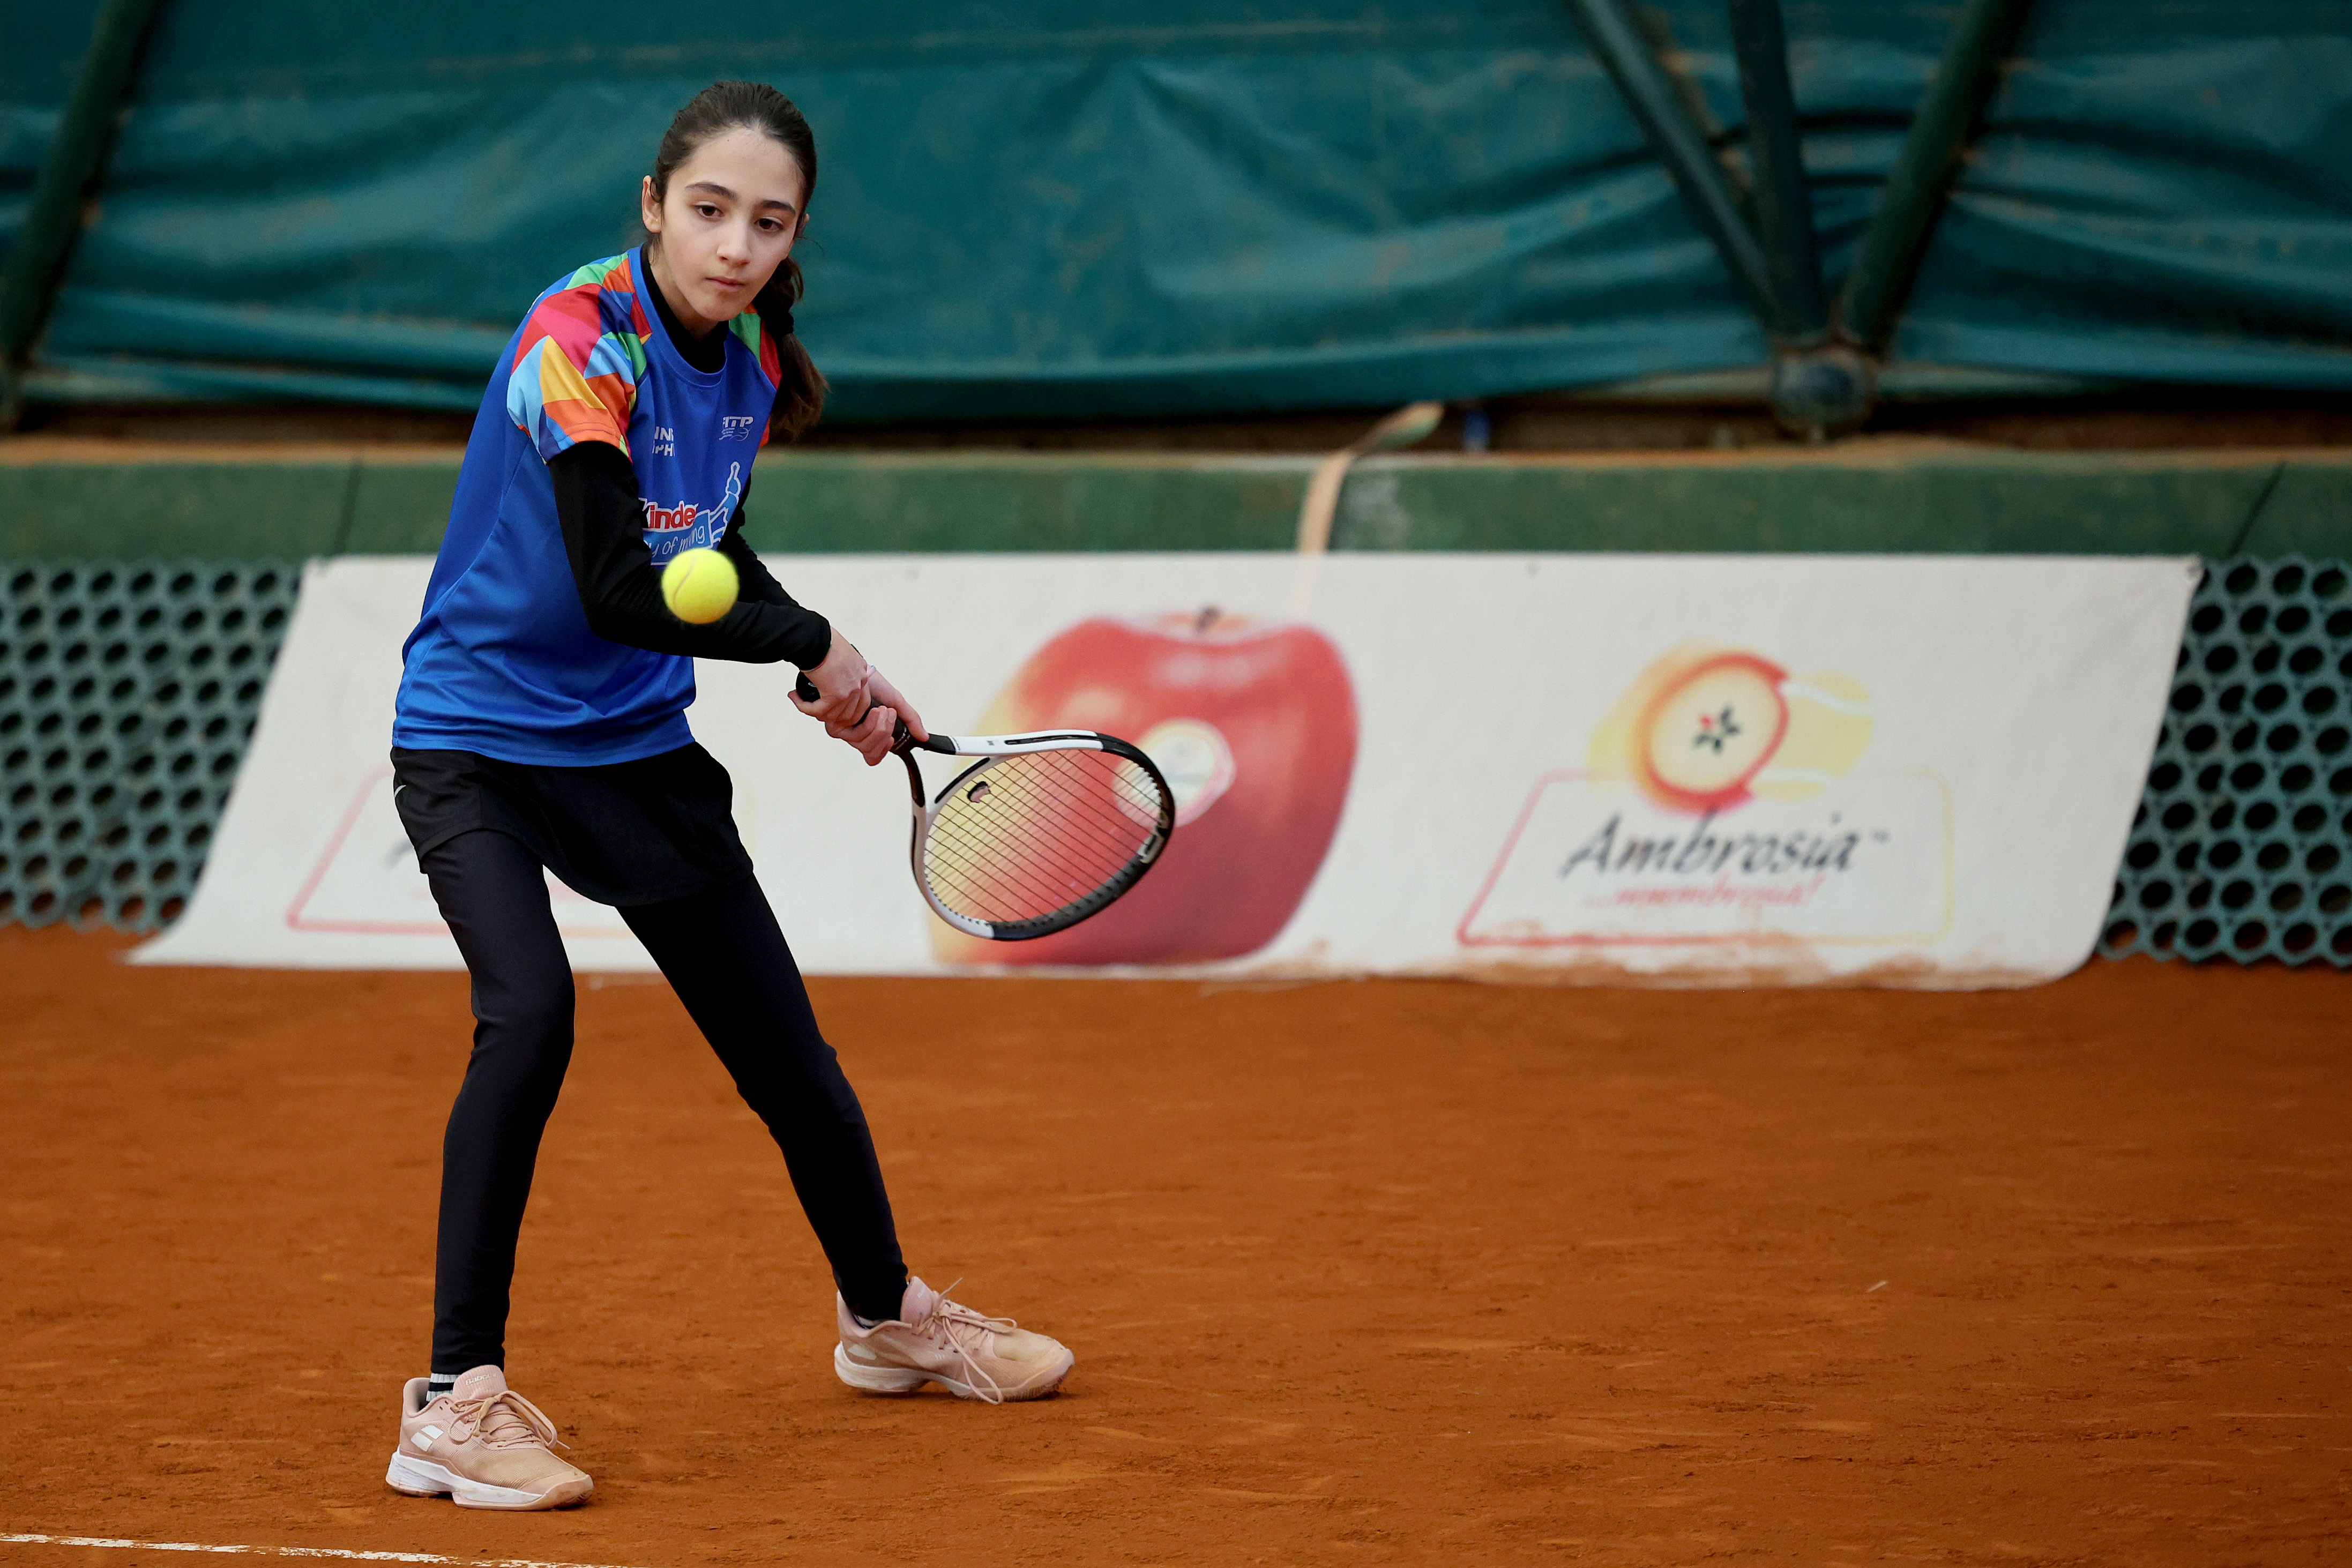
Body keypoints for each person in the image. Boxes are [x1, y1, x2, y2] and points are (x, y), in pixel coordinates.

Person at [380, 80, 1072, 1514]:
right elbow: (616, 586)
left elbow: (705, 545)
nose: (736, 246)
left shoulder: (750, 348)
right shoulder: (577, 342)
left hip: (636, 751)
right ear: (653, 204)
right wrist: (806, 643)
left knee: (784, 1050)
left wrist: (833, 662)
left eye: (770, 222)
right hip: (476, 740)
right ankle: (452, 1402)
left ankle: (884, 1318)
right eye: (708, 211)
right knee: (531, 1014)